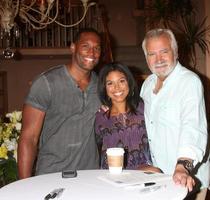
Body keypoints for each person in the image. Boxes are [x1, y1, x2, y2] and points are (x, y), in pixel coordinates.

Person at [17, 28, 102, 178]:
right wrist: (24, 184)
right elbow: (29, 138)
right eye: (85, 46)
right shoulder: (47, 83)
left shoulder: (102, 85)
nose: (92, 52)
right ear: (73, 47)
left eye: (97, 48)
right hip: (51, 174)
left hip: (90, 175)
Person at [140, 28, 210, 199]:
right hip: (158, 175)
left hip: (186, 178)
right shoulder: (147, 84)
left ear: (176, 52)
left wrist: (182, 166)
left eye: (164, 51)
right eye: (152, 54)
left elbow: (192, 127)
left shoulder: (189, 82)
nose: (159, 59)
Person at [95, 62, 160, 172]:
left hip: (144, 170)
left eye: (121, 81)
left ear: (129, 83)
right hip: (113, 174)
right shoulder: (101, 117)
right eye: (110, 83)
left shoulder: (143, 108)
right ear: (104, 88)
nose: (117, 87)